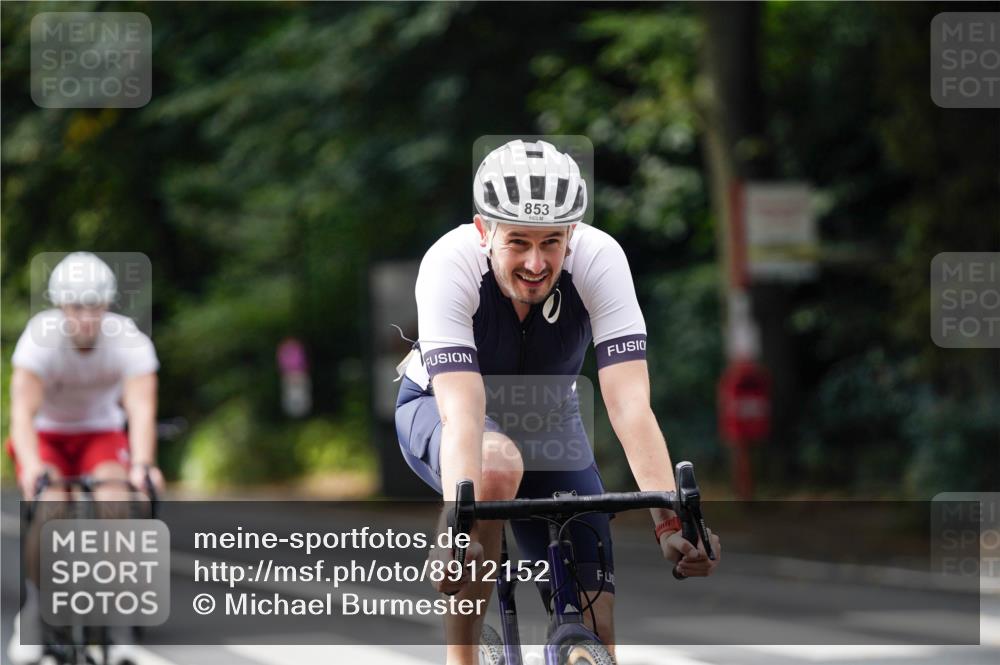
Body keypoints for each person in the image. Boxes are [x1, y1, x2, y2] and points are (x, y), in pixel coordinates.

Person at [395, 139, 721, 664]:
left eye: (551, 242)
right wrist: (458, 525)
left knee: (598, 622)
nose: (535, 262)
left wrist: (671, 523)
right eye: (517, 242)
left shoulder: (599, 258)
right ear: (484, 231)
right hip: (441, 407)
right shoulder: (449, 264)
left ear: (573, 233)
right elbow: (463, 412)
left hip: (548, 417)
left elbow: (630, 404)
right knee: (495, 465)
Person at [6, 251, 164, 665]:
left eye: (94, 306)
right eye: (76, 307)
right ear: (61, 307)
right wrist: (33, 467)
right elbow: (22, 412)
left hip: (100, 432)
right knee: (51, 506)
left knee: (117, 499)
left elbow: (141, 409)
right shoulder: (39, 339)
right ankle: (36, 615)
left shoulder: (128, 340)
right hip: (48, 435)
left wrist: (143, 466)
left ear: (107, 305)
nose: (85, 317)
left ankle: (117, 624)